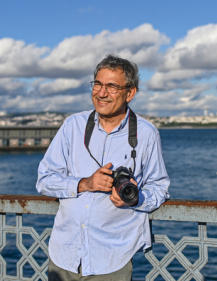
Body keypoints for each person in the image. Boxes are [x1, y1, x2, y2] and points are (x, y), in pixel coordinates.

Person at [36, 54, 170, 280]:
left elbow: (159, 186)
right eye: (97, 84)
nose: (101, 93)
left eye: (112, 86)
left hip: (112, 257)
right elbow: (44, 180)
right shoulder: (73, 126)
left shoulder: (146, 133)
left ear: (130, 93)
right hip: (64, 253)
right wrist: (84, 183)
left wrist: (137, 199)